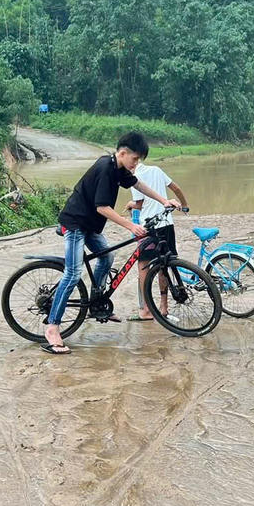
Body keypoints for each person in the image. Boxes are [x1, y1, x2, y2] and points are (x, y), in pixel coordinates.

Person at [43, 132, 177, 354]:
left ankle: (96, 302)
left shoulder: (120, 169)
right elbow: (101, 208)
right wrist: (130, 226)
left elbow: (139, 185)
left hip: (90, 226)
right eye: (135, 159)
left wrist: (164, 200)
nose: (136, 164)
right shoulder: (106, 168)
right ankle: (52, 326)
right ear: (122, 153)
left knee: (107, 257)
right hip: (76, 224)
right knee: (73, 273)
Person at [125, 162, 188, 321]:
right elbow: (177, 189)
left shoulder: (133, 178)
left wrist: (129, 204)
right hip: (166, 224)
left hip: (149, 227)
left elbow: (139, 205)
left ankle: (146, 310)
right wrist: (185, 205)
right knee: (165, 265)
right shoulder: (156, 170)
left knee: (143, 266)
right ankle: (164, 306)